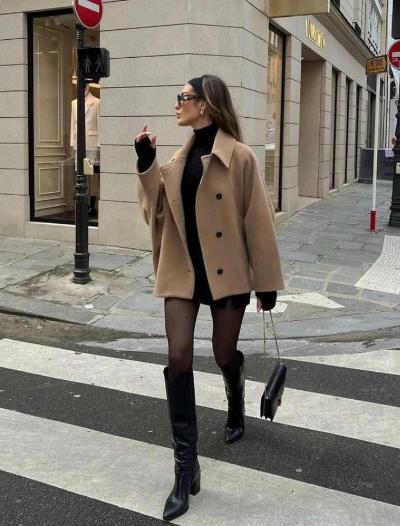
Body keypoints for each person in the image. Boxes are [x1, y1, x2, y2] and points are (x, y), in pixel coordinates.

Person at [134, 74, 284, 521]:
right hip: (183, 271)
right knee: (178, 357)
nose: (176, 104)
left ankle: (235, 399)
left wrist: (266, 283)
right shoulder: (177, 161)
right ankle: (186, 468)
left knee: (222, 353)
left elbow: (258, 220)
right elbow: (155, 212)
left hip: (227, 274)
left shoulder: (240, 156)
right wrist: (146, 162)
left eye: (183, 97)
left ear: (205, 103)